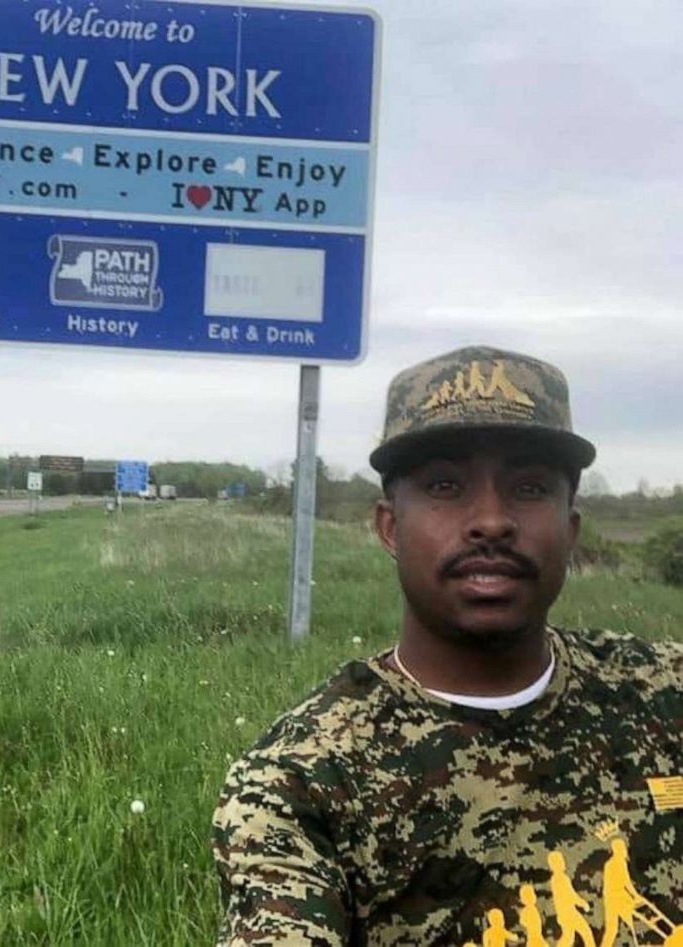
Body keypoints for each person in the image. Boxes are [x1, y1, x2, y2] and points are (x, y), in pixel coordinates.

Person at [211, 345, 682, 946]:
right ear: (390, 527)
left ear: (569, 531)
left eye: (530, 486)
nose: (490, 520)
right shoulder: (303, 778)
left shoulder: (663, 697)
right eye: (444, 485)